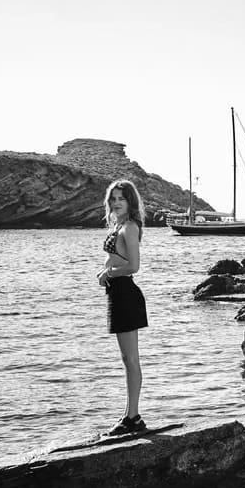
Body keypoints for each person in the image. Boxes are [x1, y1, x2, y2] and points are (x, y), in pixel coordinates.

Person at [97, 179, 149, 438]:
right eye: (113, 199)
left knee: (131, 360)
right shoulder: (118, 226)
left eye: (122, 198)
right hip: (117, 294)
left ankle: (133, 417)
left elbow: (134, 266)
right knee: (126, 360)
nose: (116, 203)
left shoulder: (129, 227)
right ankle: (129, 415)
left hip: (126, 293)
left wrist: (109, 272)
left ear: (131, 201)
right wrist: (108, 273)